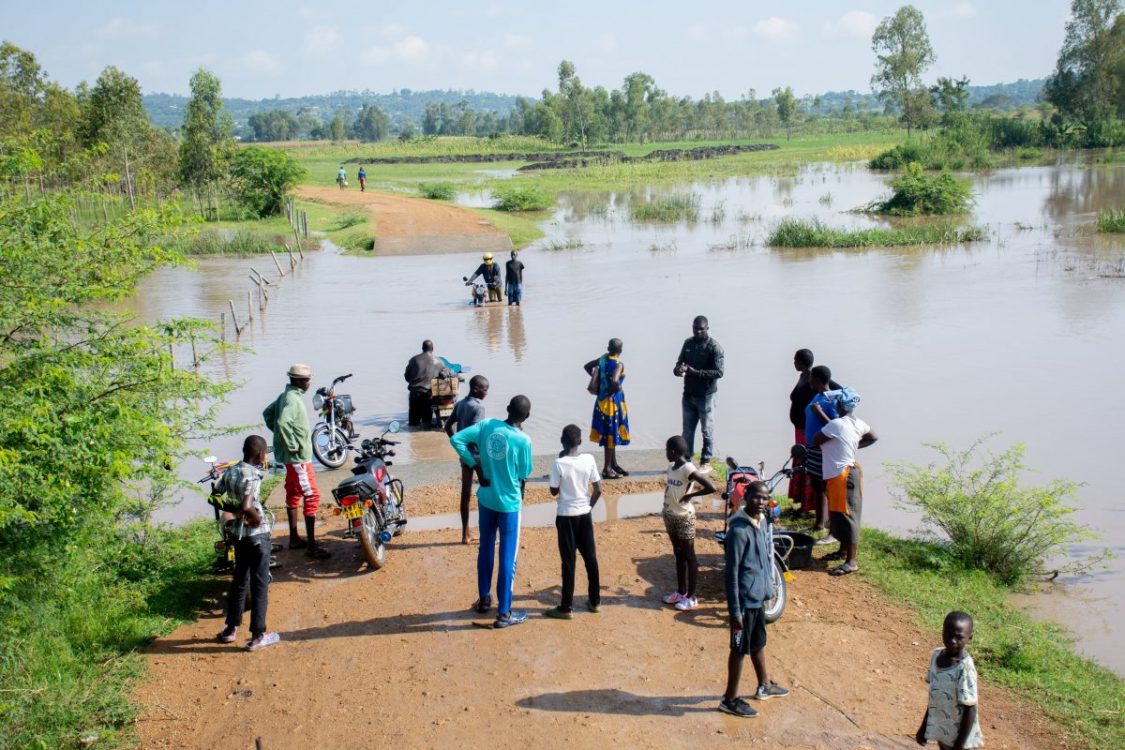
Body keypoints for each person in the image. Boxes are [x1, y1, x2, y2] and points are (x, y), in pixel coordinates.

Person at [450, 395, 534, 629]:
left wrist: (475, 464)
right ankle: (504, 613)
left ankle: (485, 599)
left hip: (486, 499)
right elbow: (524, 471)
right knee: (507, 556)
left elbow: (457, 439)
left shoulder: (487, 426)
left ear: (507, 408)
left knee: (486, 547)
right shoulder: (523, 440)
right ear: (526, 417)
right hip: (509, 504)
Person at [719, 480, 790, 717]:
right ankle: (729, 700)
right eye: (757, 497)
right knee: (739, 649)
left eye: (765, 497)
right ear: (746, 497)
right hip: (744, 604)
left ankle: (765, 685)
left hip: (757, 600)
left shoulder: (759, 522)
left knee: (758, 643)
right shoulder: (738, 531)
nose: (761, 502)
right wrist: (735, 611)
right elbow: (731, 574)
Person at [216, 435, 281, 652]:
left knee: (240, 581)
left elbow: (214, 497)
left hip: (239, 535)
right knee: (260, 584)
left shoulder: (231, 471)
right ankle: (258, 636)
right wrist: (255, 516)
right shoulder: (254, 475)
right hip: (257, 535)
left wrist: (233, 510)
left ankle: (230, 630)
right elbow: (247, 504)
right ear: (260, 455)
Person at [262, 363, 330, 560]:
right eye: (307, 380)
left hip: (290, 458)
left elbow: (268, 414)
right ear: (299, 381)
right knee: (312, 495)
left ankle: (294, 538)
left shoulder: (286, 395)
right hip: (298, 457)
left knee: (292, 493)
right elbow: (283, 422)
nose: (309, 383)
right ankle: (311, 546)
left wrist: (278, 437)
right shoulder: (292, 400)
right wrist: (291, 443)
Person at [814, 391, 876, 576]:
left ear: (839, 406)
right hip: (841, 472)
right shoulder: (858, 423)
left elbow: (816, 439)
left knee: (848, 516)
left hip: (844, 474)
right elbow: (873, 437)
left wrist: (820, 414)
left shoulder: (837, 424)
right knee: (839, 513)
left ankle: (851, 561)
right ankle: (842, 551)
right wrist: (854, 444)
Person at [545, 424, 602, 619]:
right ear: (580, 441)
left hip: (565, 516)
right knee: (590, 559)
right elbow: (598, 489)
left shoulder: (559, 463)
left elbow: (554, 491)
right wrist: (587, 507)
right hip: (584, 515)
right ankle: (595, 601)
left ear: (562, 441)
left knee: (568, 562)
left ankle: (566, 607)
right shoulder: (589, 459)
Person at [661, 435, 717, 612]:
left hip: (685, 516)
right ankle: (680, 592)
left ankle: (692, 598)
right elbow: (671, 487)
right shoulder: (671, 467)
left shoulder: (688, 468)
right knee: (678, 553)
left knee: (689, 555)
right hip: (670, 515)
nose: (665, 453)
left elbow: (710, 487)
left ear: (673, 452)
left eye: (666, 450)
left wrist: (690, 496)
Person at [916, 611, 983, 750]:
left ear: (969, 638)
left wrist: (959, 745)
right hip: (944, 733)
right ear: (942, 631)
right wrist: (924, 728)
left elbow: (971, 709)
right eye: (948, 634)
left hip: (962, 740)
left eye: (959, 637)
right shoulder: (936, 656)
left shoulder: (965, 668)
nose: (952, 641)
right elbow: (935, 698)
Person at [787, 349, 840, 515]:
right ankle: (802, 504)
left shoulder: (815, 378)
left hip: (809, 432)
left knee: (809, 466)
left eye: (795, 360)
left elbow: (840, 390)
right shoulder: (804, 377)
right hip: (800, 429)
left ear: (801, 362)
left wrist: (827, 404)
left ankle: (809, 508)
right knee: (801, 464)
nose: (793, 363)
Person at [673, 315, 724, 469]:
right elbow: (678, 364)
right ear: (692, 327)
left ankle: (706, 460)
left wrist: (696, 372)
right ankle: (687, 460)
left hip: (706, 395)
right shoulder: (688, 343)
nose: (698, 332)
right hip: (688, 394)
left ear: (707, 328)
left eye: (701, 329)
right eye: (695, 328)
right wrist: (678, 370)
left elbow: (719, 372)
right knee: (687, 431)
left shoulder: (714, 347)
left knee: (707, 429)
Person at [445, 375, 490, 545]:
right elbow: (477, 433)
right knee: (487, 490)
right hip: (477, 456)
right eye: (485, 390)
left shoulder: (461, 404)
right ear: (476, 389)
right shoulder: (478, 407)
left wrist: (459, 447)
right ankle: (488, 531)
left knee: (465, 494)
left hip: (465, 456)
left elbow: (447, 426)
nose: (486, 393)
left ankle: (465, 534)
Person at [804, 364, 841, 541]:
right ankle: (819, 522)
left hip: (823, 450)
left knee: (827, 488)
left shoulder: (831, 400)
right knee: (817, 486)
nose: (809, 380)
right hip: (812, 448)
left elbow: (837, 427)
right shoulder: (817, 396)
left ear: (818, 380)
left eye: (811, 378)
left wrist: (818, 413)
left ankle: (833, 529)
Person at [584, 338, 630, 479]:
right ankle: (607, 469)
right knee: (610, 435)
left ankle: (614, 464)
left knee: (610, 434)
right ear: (620, 351)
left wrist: (598, 381)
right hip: (611, 403)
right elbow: (616, 381)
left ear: (608, 348)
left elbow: (586, 366)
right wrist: (615, 388)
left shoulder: (602, 359)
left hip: (600, 401)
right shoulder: (618, 364)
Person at [403, 340, 449, 428]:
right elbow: (444, 376)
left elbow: (407, 377)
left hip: (414, 393)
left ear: (422, 348)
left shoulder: (413, 360)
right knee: (426, 423)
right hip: (428, 395)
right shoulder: (439, 362)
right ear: (432, 348)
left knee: (413, 423)